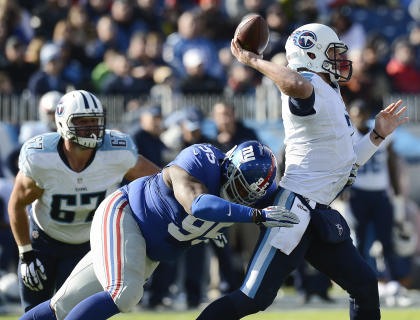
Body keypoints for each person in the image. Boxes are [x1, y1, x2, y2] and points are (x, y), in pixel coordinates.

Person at [197, 23, 409, 320]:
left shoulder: (329, 91)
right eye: (333, 53)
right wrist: (252, 60)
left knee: (363, 284)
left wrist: (376, 136)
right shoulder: (305, 83)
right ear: (311, 54)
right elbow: (294, 84)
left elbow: (349, 161)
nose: (340, 60)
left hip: (318, 212)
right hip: (292, 211)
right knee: (252, 298)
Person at [18, 140, 299, 320]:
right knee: (124, 294)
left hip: (148, 248)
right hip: (126, 214)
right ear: (228, 167)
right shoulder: (201, 159)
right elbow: (199, 205)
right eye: (238, 187)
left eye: (250, 196)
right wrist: (255, 214)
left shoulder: (254, 196)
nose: (240, 197)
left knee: (64, 304)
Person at [8, 89, 161, 312]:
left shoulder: (117, 152)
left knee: (76, 313)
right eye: (81, 121)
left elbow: (159, 182)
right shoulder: (40, 156)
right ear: (61, 123)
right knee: (34, 312)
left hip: (90, 244)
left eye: (95, 121)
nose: (90, 128)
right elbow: (17, 204)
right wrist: (26, 252)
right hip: (44, 240)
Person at [347, 99, 414, 307]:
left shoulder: (380, 132)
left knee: (387, 240)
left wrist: (396, 193)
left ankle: (393, 281)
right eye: (355, 114)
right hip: (358, 194)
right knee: (359, 240)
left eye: (361, 113)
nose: (358, 117)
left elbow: (391, 162)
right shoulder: (347, 135)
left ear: (367, 115)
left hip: (380, 194)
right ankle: (358, 281)